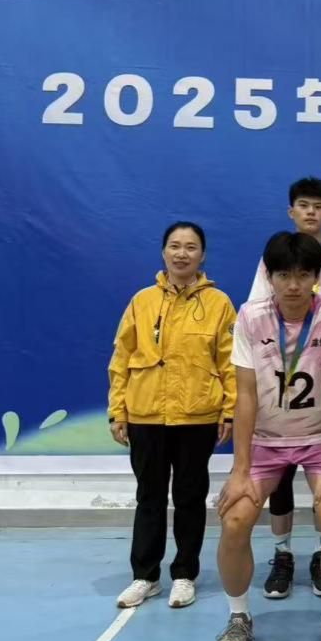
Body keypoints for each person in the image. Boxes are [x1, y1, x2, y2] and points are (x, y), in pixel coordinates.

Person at [213, 232, 321, 641]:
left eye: (302, 275)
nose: (293, 285)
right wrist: (240, 470)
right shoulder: (250, 316)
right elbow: (245, 395)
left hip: (318, 440)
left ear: (316, 277)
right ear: (269, 276)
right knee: (234, 519)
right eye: (283, 275)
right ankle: (238, 619)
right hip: (266, 441)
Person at [247, 177, 321, 601]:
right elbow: (258, 313)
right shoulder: (274, 258)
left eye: (318, 206)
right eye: (303, 205)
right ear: (291, 212)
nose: (310, 212)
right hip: (279, 381)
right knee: (278, 477)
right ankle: (282, 554)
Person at [108, 222, 236, 610]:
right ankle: (145, 576)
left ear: (202, 255)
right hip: (146, 414)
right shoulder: (142, 301)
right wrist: (117, 410)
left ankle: (184, 574)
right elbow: (121, 358)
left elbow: (230, 362)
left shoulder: (219, 304)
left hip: (197, 416)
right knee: (149, 496)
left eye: (191, 247)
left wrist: (229, 410)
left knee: (189, 497)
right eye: (175, 246)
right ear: (164, 252)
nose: (182, 254)